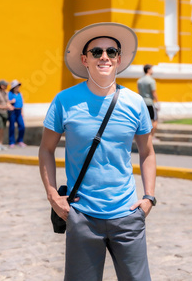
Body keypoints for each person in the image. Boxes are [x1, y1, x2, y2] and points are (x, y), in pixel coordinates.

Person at [39, 22, 156, 281]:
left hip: (127, 215)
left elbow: (147, 152)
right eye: (96, 52)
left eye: (111, 51)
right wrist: (52, 195)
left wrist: (148, 198)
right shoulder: (64, 101)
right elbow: (46, 149)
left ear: (119, 59)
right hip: (82, 216)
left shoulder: (135, 102)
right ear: (85, 59)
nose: (105, 56)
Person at [137, 64, 159, 137]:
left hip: (142, 103)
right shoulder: (151, 81)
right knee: (155, 120)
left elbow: (139, 92)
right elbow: (154, 93)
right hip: (150, 102)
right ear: (148, 70)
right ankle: (151, 137)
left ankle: (144, 137)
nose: (152, 71)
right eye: (151, 69)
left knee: (144, 121)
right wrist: (158, 102)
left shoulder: (139, 81)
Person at [0, 80, 13, 151]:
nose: (7, 86)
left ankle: (1, 144)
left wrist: (10, 105)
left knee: (3, 129)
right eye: (5, 85)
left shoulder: (6, 93)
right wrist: (3, 107)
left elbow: (6, 102)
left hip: (5, 113)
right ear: (1, 86)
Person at [8, 80, 26, 148]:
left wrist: (22, 112)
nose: (18, 87)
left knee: (22, 126)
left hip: (19, 111)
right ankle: (11, 142)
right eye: (16, 86)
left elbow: (21, 103)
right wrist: (11, 102)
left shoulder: (19, 93)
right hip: (13, 112)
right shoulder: (9, 93)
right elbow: (7, 102)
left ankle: (20, 141)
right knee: (12, 127)